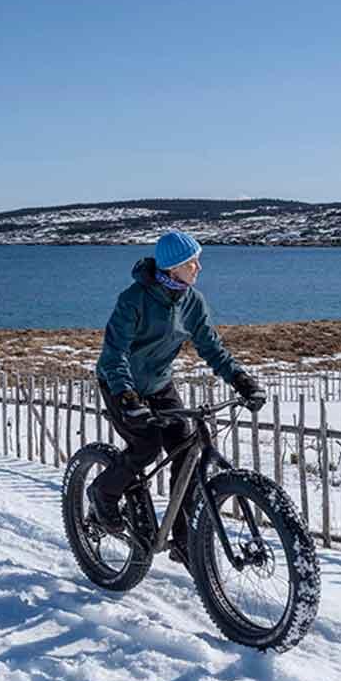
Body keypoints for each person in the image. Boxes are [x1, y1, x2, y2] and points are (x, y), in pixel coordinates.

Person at [91, 230, 267, 564]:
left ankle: (184, 540)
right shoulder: (134, 299)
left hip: (159, 385)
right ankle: (103, 492)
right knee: (145, 447)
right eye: (191, 263)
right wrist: (127, 396)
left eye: (197, 260)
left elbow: (211, 347)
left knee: (186, 452)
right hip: (120, 385)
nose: (198, 268)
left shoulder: (192, 301)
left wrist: (240, 379)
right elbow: (114, 354)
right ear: (172, 269)